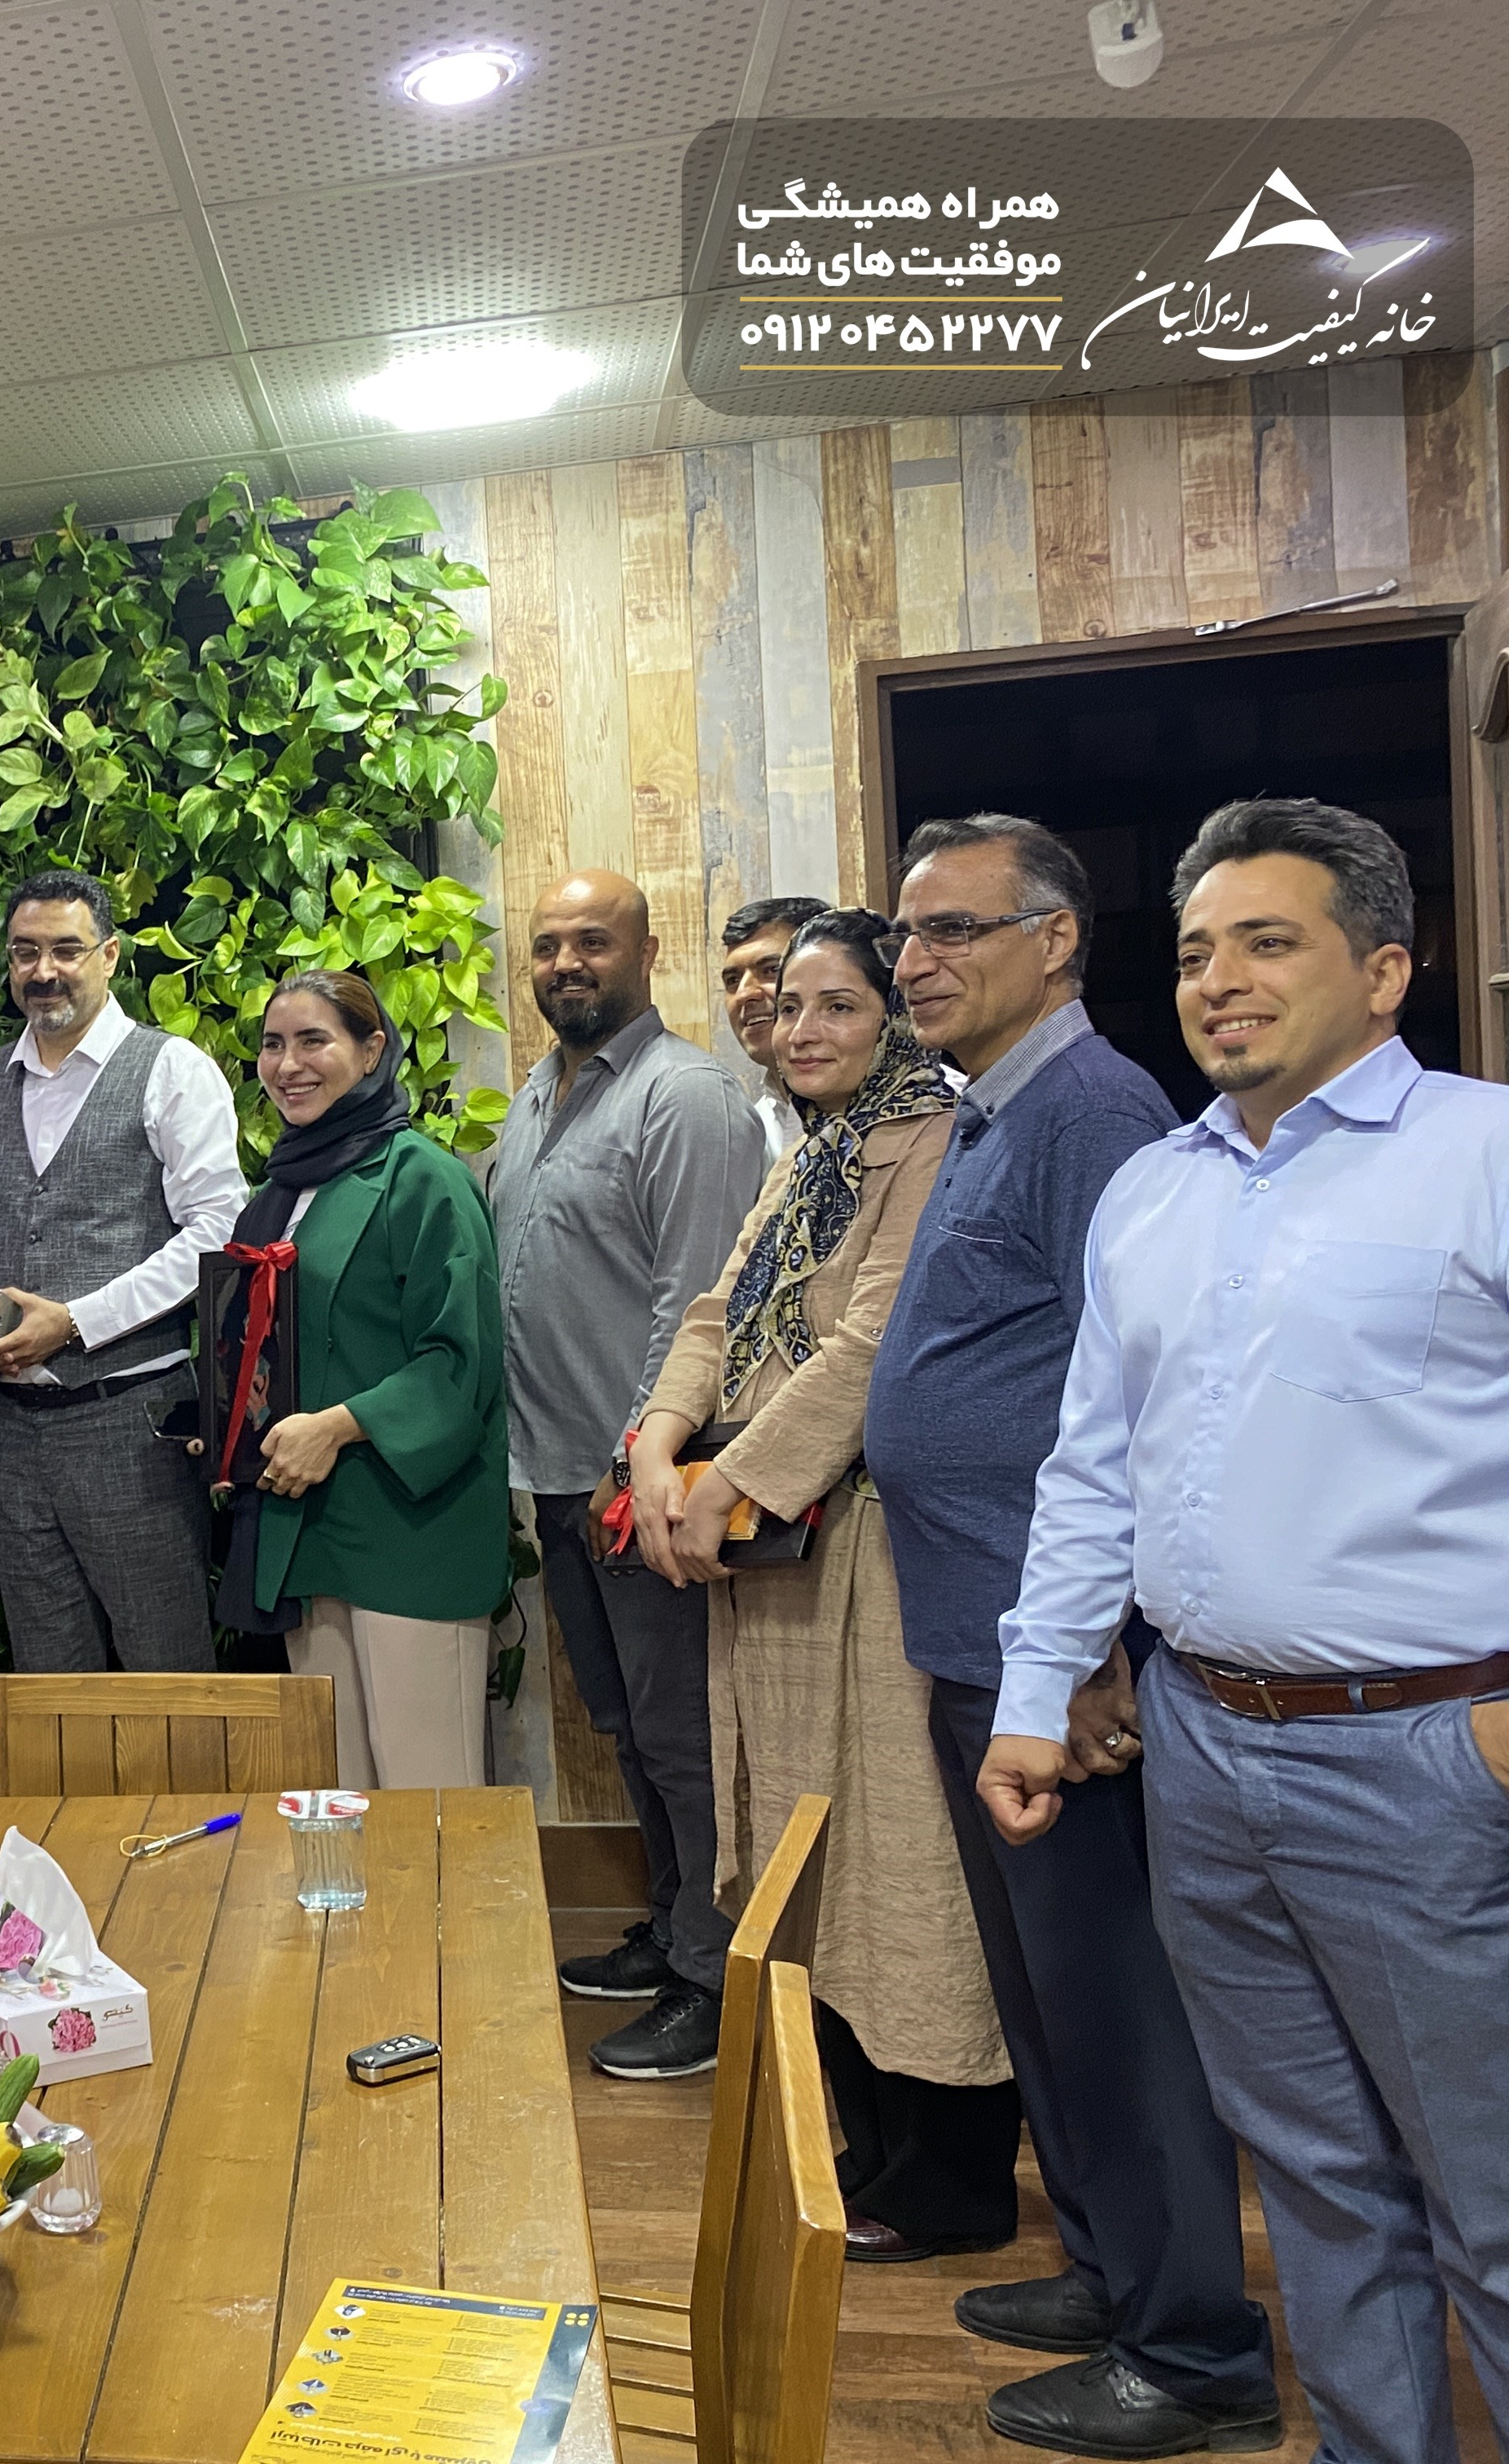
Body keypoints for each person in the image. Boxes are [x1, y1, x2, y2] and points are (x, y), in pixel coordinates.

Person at [986, 799, 1506, 2464]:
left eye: (1268, 942)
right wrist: (1033, 1690)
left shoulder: (1482, 1154)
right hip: (1203, 1753)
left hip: (1431, 1759)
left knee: (1493, 2200)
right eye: (1199, 949)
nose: (1219, 979)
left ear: (1385, 970)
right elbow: (1091, 1466)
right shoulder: (1152, 1192)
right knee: (1319, 2185)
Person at [858, 812, 1273, 2453]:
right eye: (905, 933)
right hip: (986, 1635)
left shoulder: (1092, 1109)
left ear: (1054, 943)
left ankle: (1193, 2350)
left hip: (1063, 1659)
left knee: (1114, 1999)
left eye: (954, 929)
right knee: (1045, 1997)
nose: (915, 961)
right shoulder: (992, 1108)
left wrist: (1093, 1647)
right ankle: (1110, 2273)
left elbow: (1142, 1393)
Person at [623, 911, 1018, 2264]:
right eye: (790, 1006)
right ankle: (865, 2141)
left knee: (899, 1860)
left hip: (868, 1552)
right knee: (803, 1856)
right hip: (768, 1560)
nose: (799, 1029)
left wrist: (726, 1480)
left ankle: (950, 2177)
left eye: (837, 1005)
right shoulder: (814, 1153)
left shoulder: (938, 1138)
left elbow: (870, 1341)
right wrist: (654, 1447)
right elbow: (714, 1314)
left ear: (894, 1019)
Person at [488, 868, 761, 2080]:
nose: (566, 963)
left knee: (685, 1736)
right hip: (556, 1476)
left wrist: (637, 1463)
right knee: (633, 1730)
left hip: (643, 1486)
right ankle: (672, 1925)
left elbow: (695, 1303)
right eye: (549, 944)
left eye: (593, 941)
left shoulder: (686, 1097)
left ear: (648, 954)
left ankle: (715, 1976)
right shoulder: (535, 1098)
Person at [0, 870, 243, 1674]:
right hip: (9, 1429)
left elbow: (217, 1231)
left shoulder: (172, 1069)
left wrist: (79, 1321)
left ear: (109, 956)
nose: (43, 970)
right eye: (25, 952)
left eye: (66, 950)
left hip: (132, 1421)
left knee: (165, 1668)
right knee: (48, 1678)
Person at [227, 970, 504, 1788]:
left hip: (408, 1530)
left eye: (314, 1041)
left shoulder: (424, 1178)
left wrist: (337, 1426)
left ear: (373, 1049)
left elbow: (459, 1362)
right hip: (308, 1530)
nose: (288, 1065)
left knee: (430, 1796)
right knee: (339, 1800)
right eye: (273, 1045)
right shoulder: (280, 1192)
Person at [719, 894, 829, 1169]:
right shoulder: (753, 1129)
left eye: (770, 970)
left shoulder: (910, 1107)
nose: (744, 993)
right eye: (732, 980)